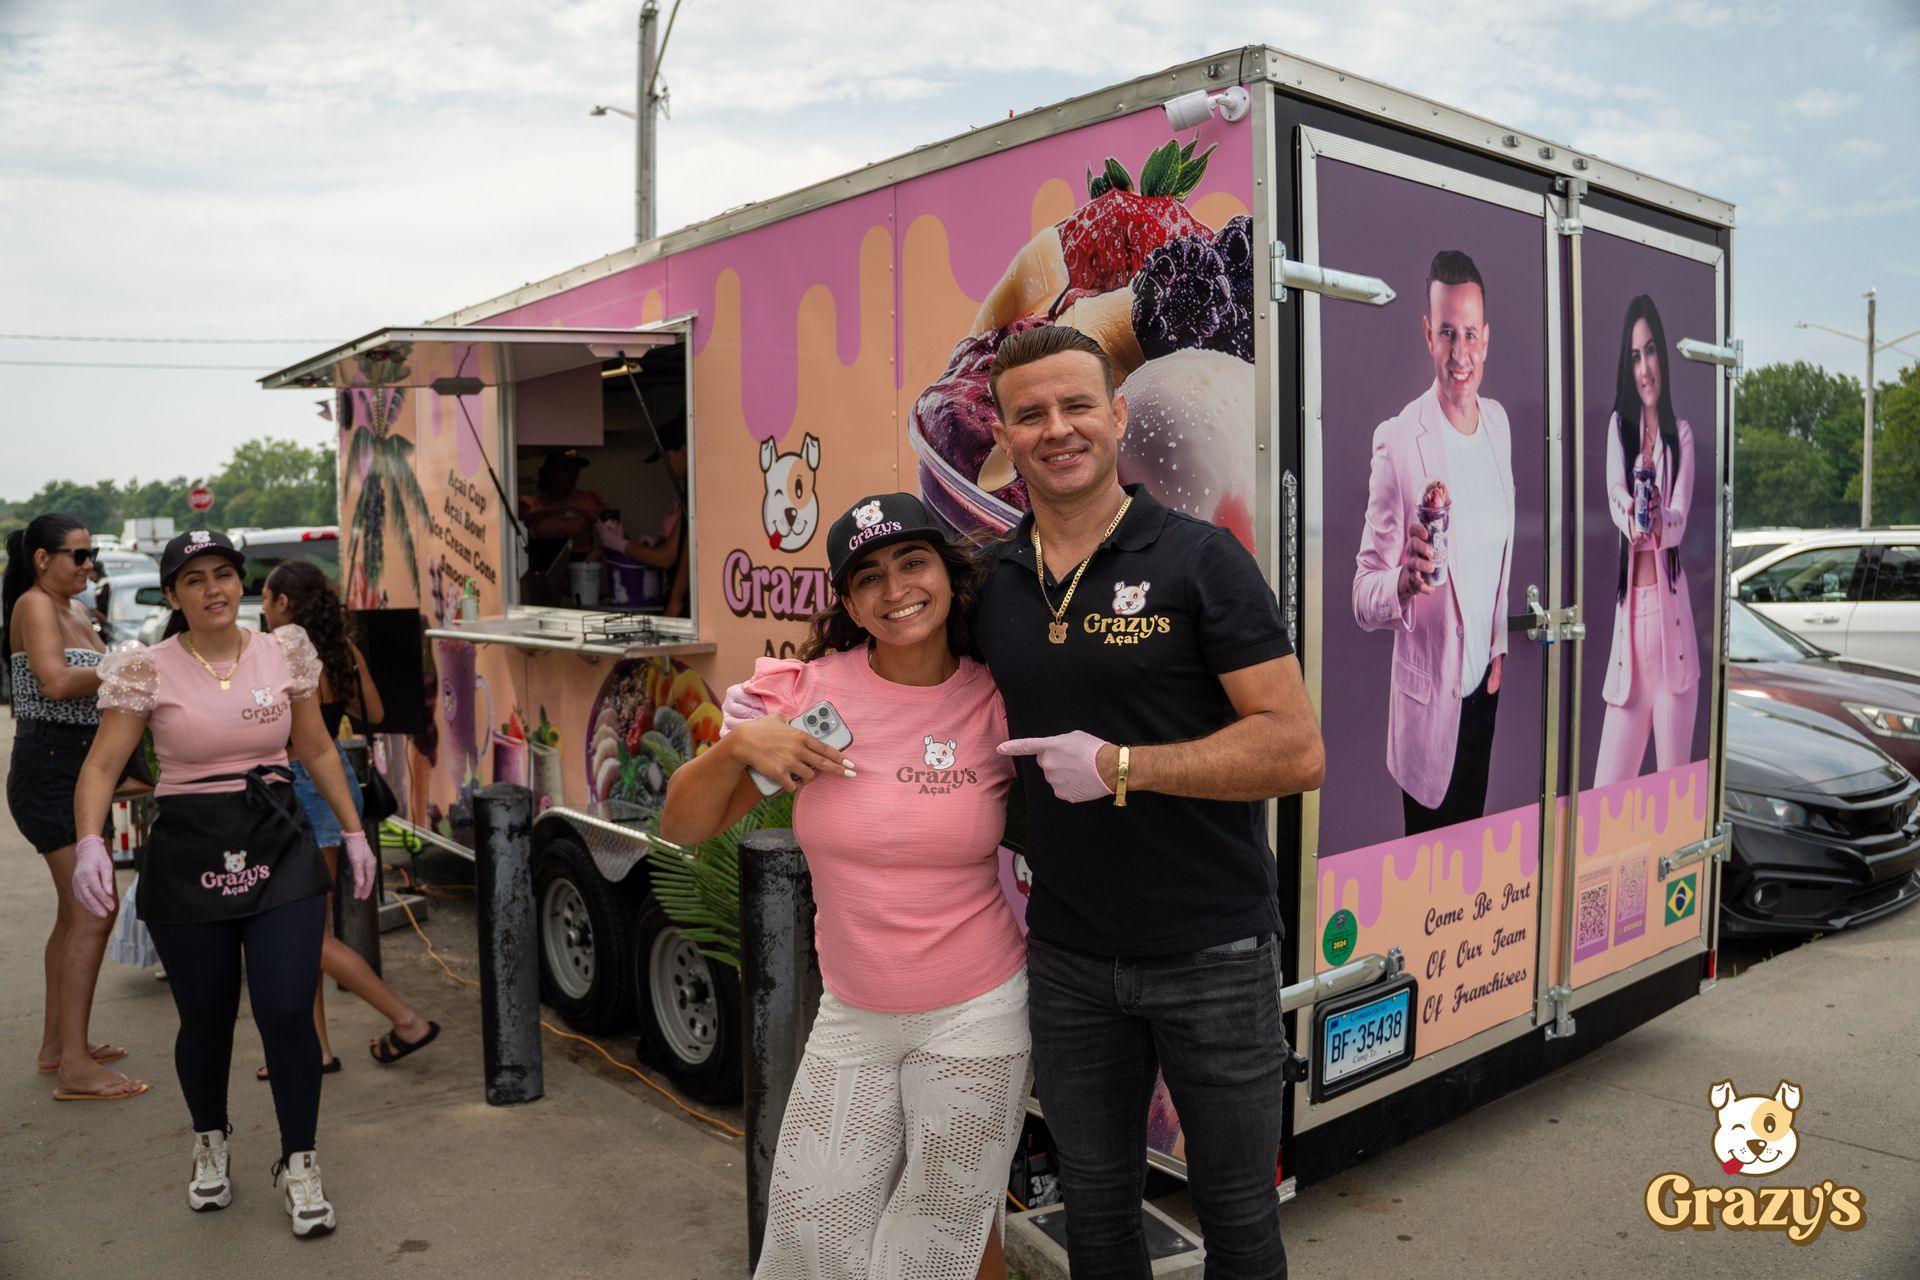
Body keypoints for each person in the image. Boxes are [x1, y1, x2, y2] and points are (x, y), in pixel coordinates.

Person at [976, 324, 1323, 1279]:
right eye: (1031, 414)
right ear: (1003, 436)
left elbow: (1296, 748)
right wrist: (778, 713)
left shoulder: (1201, 560)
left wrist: (1122, 766)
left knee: (1240, 1220)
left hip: (1213, 952)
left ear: (1118, 415)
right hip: (1070, 958)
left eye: (1077, 405)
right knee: (1096, 1216)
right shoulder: (993, 581)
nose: (1058, 428)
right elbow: (894, 653)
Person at [664, 492, 1030, 1280]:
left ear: (948, 574)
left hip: (978, 1011)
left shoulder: (995, 697)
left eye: (913, 562)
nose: (896, 589)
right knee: (812, 1233)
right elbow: (684, 826)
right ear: (850, 604)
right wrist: (737, 749)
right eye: (869, 577)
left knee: (950, 1237)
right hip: (854, 1014)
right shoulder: (806, 697)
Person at [71, 529, 376, 1237]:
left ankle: (300, 1162)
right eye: (195, 579)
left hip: (279, 841)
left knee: (286, 1012)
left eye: (225, 574)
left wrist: (354, 830)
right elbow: (101, 765)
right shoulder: (145, 669)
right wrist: (90, 842)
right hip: (189, 850)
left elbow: (315, 746)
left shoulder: (283, 651)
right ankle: (211, 1137)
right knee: (205, 1019)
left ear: (242, 583)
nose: (214, 589)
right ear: (173, 595)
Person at [1353, 249, 1516, 835]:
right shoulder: (1399, 439)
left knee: (1469, 862)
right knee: (1428, 874)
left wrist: (1497, 645)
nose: (1460, 354)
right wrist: (1401, 580)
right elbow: (1362, 593)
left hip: (1482, 695)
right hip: (1427, 712)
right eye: (1447, 333)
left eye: (1470, 334)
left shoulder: (1498, 425)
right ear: (1428, 334)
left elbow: (1497, 553)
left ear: (1486, 338)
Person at [256, 559, 439, 1078]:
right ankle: (314, 1048)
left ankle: (407, 1022)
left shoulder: (277, 652)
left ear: (284, 603)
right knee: (308, 927)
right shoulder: (339, 649)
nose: (262, 608)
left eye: (265, 598)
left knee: (308, 935)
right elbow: (374, 714)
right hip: (332, 782)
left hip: (295, 786)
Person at [4, 514, 147, 1101]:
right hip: (50, 769)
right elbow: (57, 683)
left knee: (73, 914)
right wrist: (130, 665)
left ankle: (59, 1047)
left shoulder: (76, 609)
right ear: (43, 559)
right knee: (94, 910)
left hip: (81, 769)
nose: (91, 566)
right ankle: (75, 1068)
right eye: (80, 556)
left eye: (92, 556)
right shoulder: (35, 604)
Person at [1593, 295, 1698, 785]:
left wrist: (1658, 520)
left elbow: (1680, 515)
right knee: (1604, 798)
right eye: (1634, 356)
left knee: (1673, 799)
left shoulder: (1682, 436)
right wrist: (1636, 520)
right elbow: (1615, 492)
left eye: (1650, 351)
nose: (1644, 368)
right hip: (1631, 638)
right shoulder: (1620, 427)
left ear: (1663, 356)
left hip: (1674, 638)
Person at [597, 415, 690, 616]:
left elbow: (667, 558)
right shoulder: (682, 494)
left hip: (688, 600)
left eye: (667, 458)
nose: (664, 466)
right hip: (674, 592)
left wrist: (621, 545)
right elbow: (679, 539)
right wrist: (660, 537)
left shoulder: (695, 495)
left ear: (684, 450)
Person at [517, 449, 605, 556]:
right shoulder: (535, 504)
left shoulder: (587, 501)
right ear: (550, 472)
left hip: (580, 562)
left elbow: (612, 535)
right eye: (565, 470)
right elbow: (514, 535)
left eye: (575, 470)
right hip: (546, 562)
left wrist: (595, 556)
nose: (572, 476)